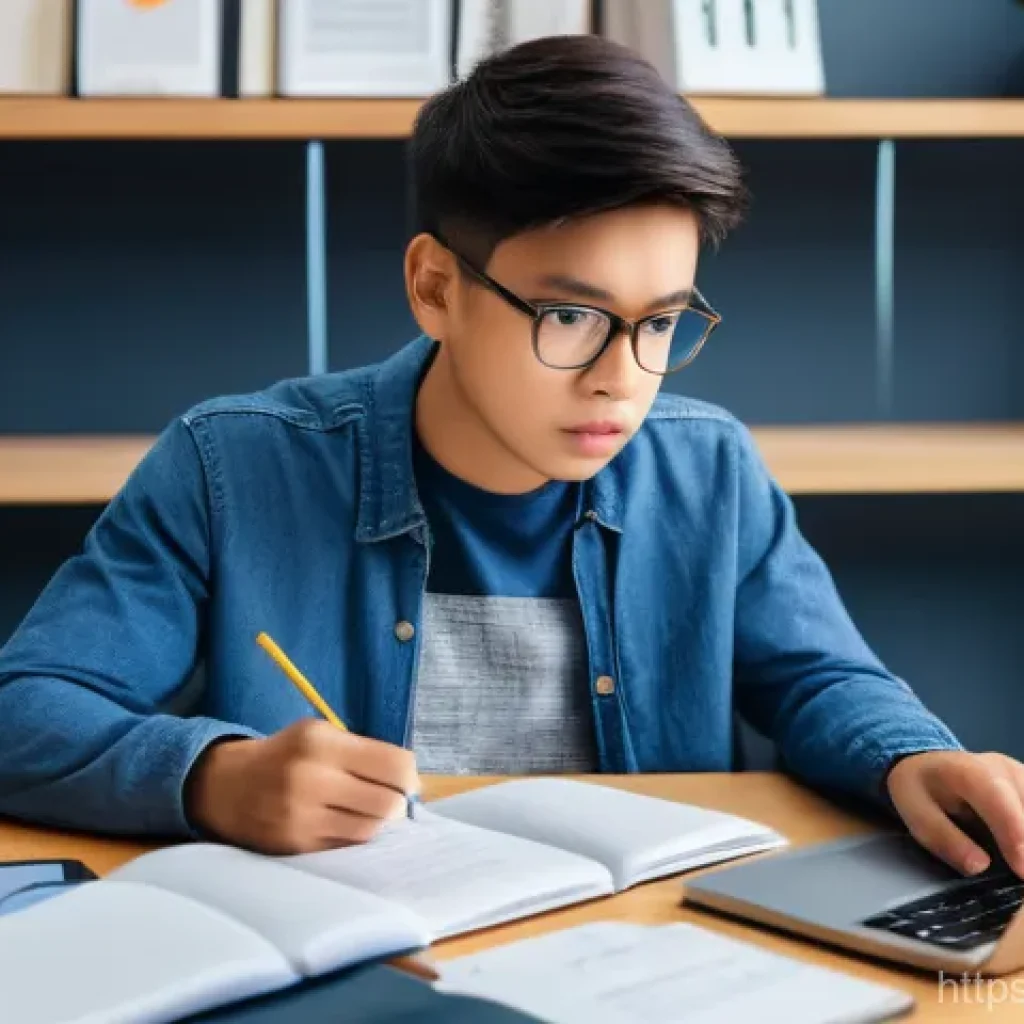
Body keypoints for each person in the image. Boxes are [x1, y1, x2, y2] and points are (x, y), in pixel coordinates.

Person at [1, 36, 1022, 880]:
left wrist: (911, 755)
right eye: (572, 315)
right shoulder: (230, 469)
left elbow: (818, 680)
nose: (624, 376)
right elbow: (25, 709)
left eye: (661, 321)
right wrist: (211, 775)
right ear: (434, 285)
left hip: (640, 956)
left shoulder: (708, 471)